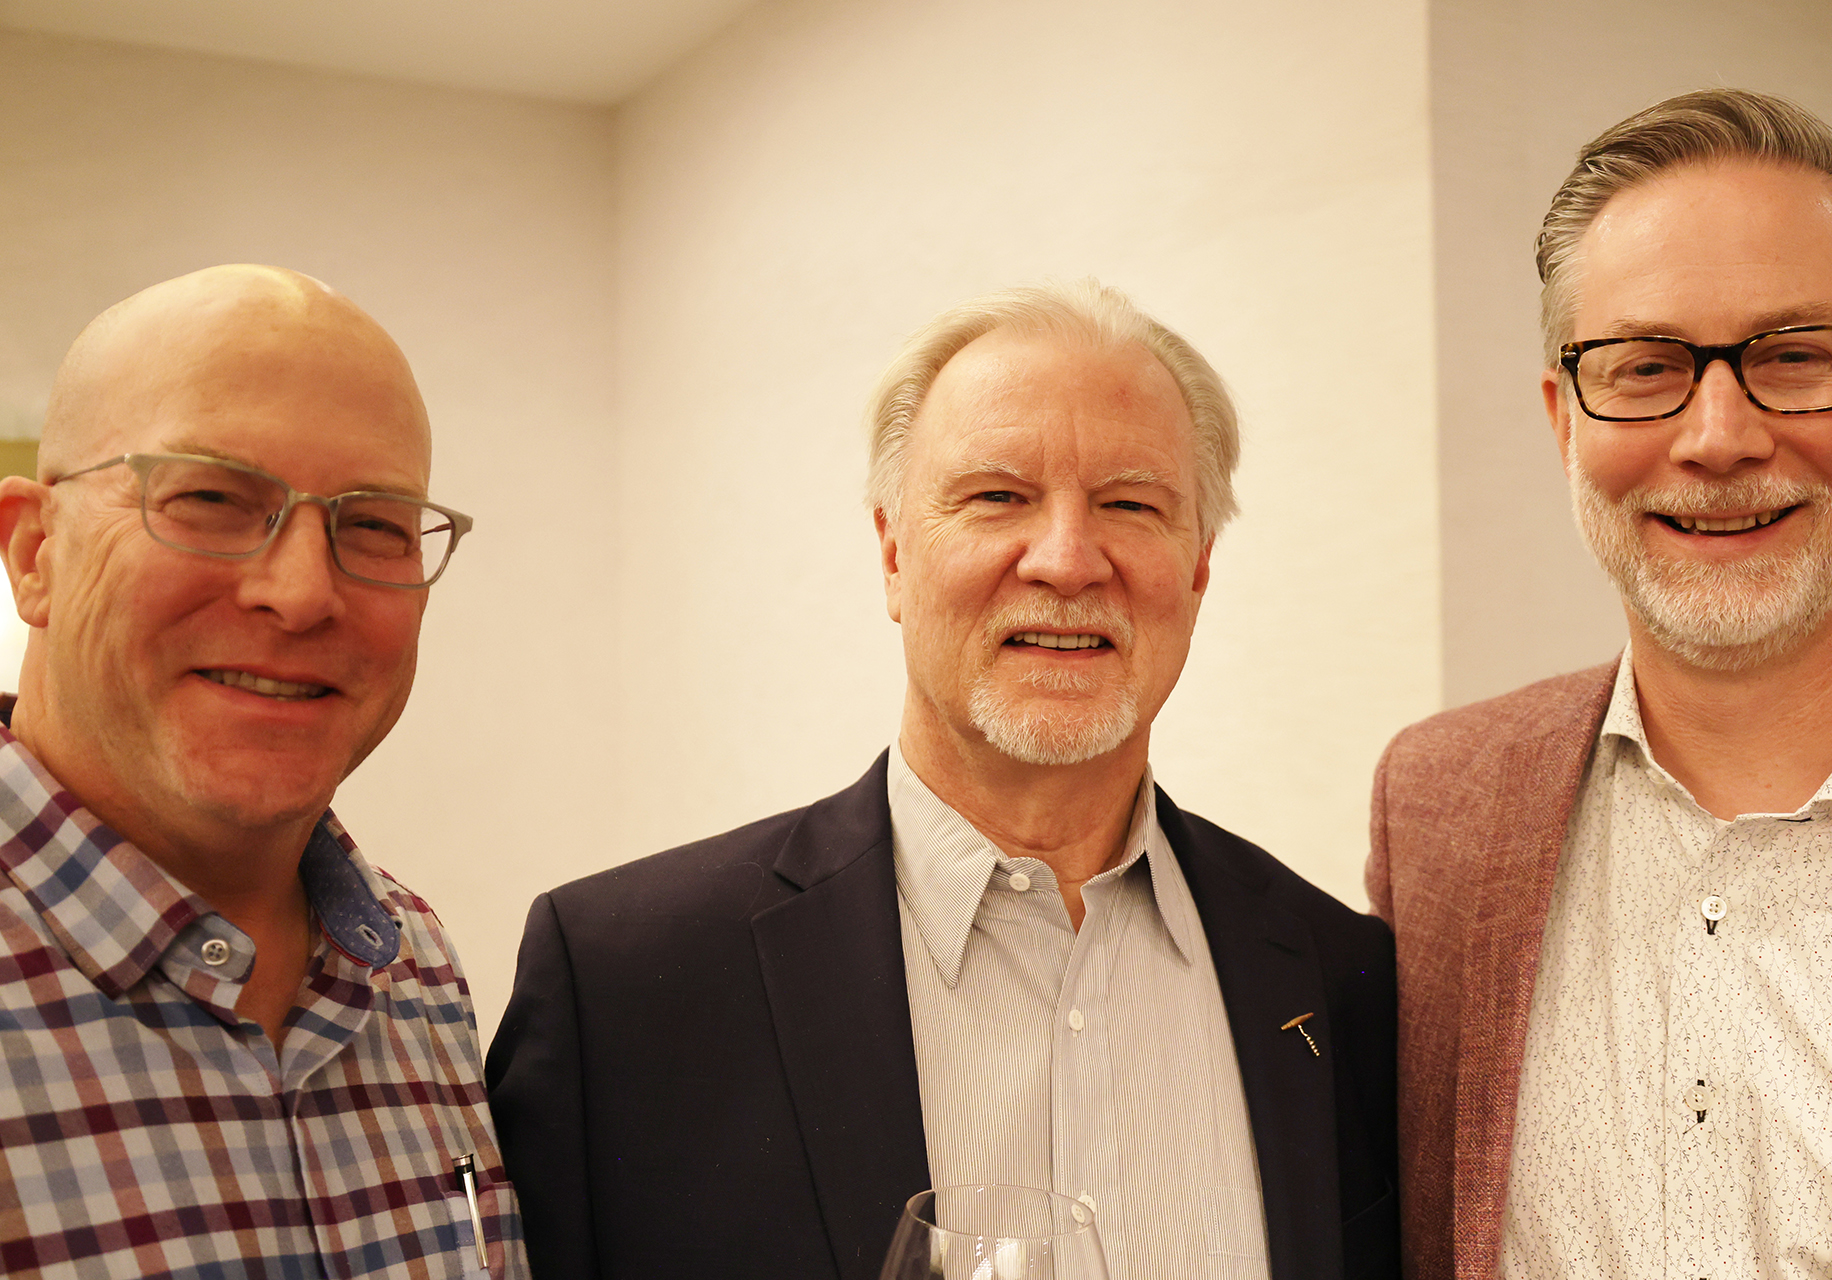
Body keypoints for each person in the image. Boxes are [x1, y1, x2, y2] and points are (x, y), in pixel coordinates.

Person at [489, 279, 1399, 1280]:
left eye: (1131, 504)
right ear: (891, 550)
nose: (1065, 559)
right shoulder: (626, 986)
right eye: (997, 496)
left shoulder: (1341, 979)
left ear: (1198, 568)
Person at [1370, 89, 1832, 1278]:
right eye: (1645, 367)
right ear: (1566, 422)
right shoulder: (1439, 813)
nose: (1717, 434)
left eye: (1792, 357)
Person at [0, 265, 524, 1279]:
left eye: (372, 523)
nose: (300, 592)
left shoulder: (411, 967)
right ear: (33, 552)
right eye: (209, 498)